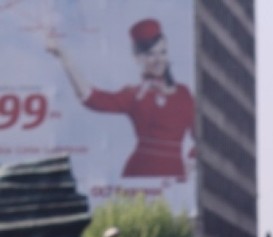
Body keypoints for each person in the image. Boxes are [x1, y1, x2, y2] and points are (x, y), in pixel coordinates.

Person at [46, 19, 195, 180]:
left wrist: (192, 162)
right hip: (140, 173)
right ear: (138, 58)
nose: (158, 59)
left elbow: (201, 136)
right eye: (150, 54)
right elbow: (92, 98)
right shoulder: (134, 95)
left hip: (175, 174)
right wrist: (64, 57)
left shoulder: (184, 93)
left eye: (163, 52)